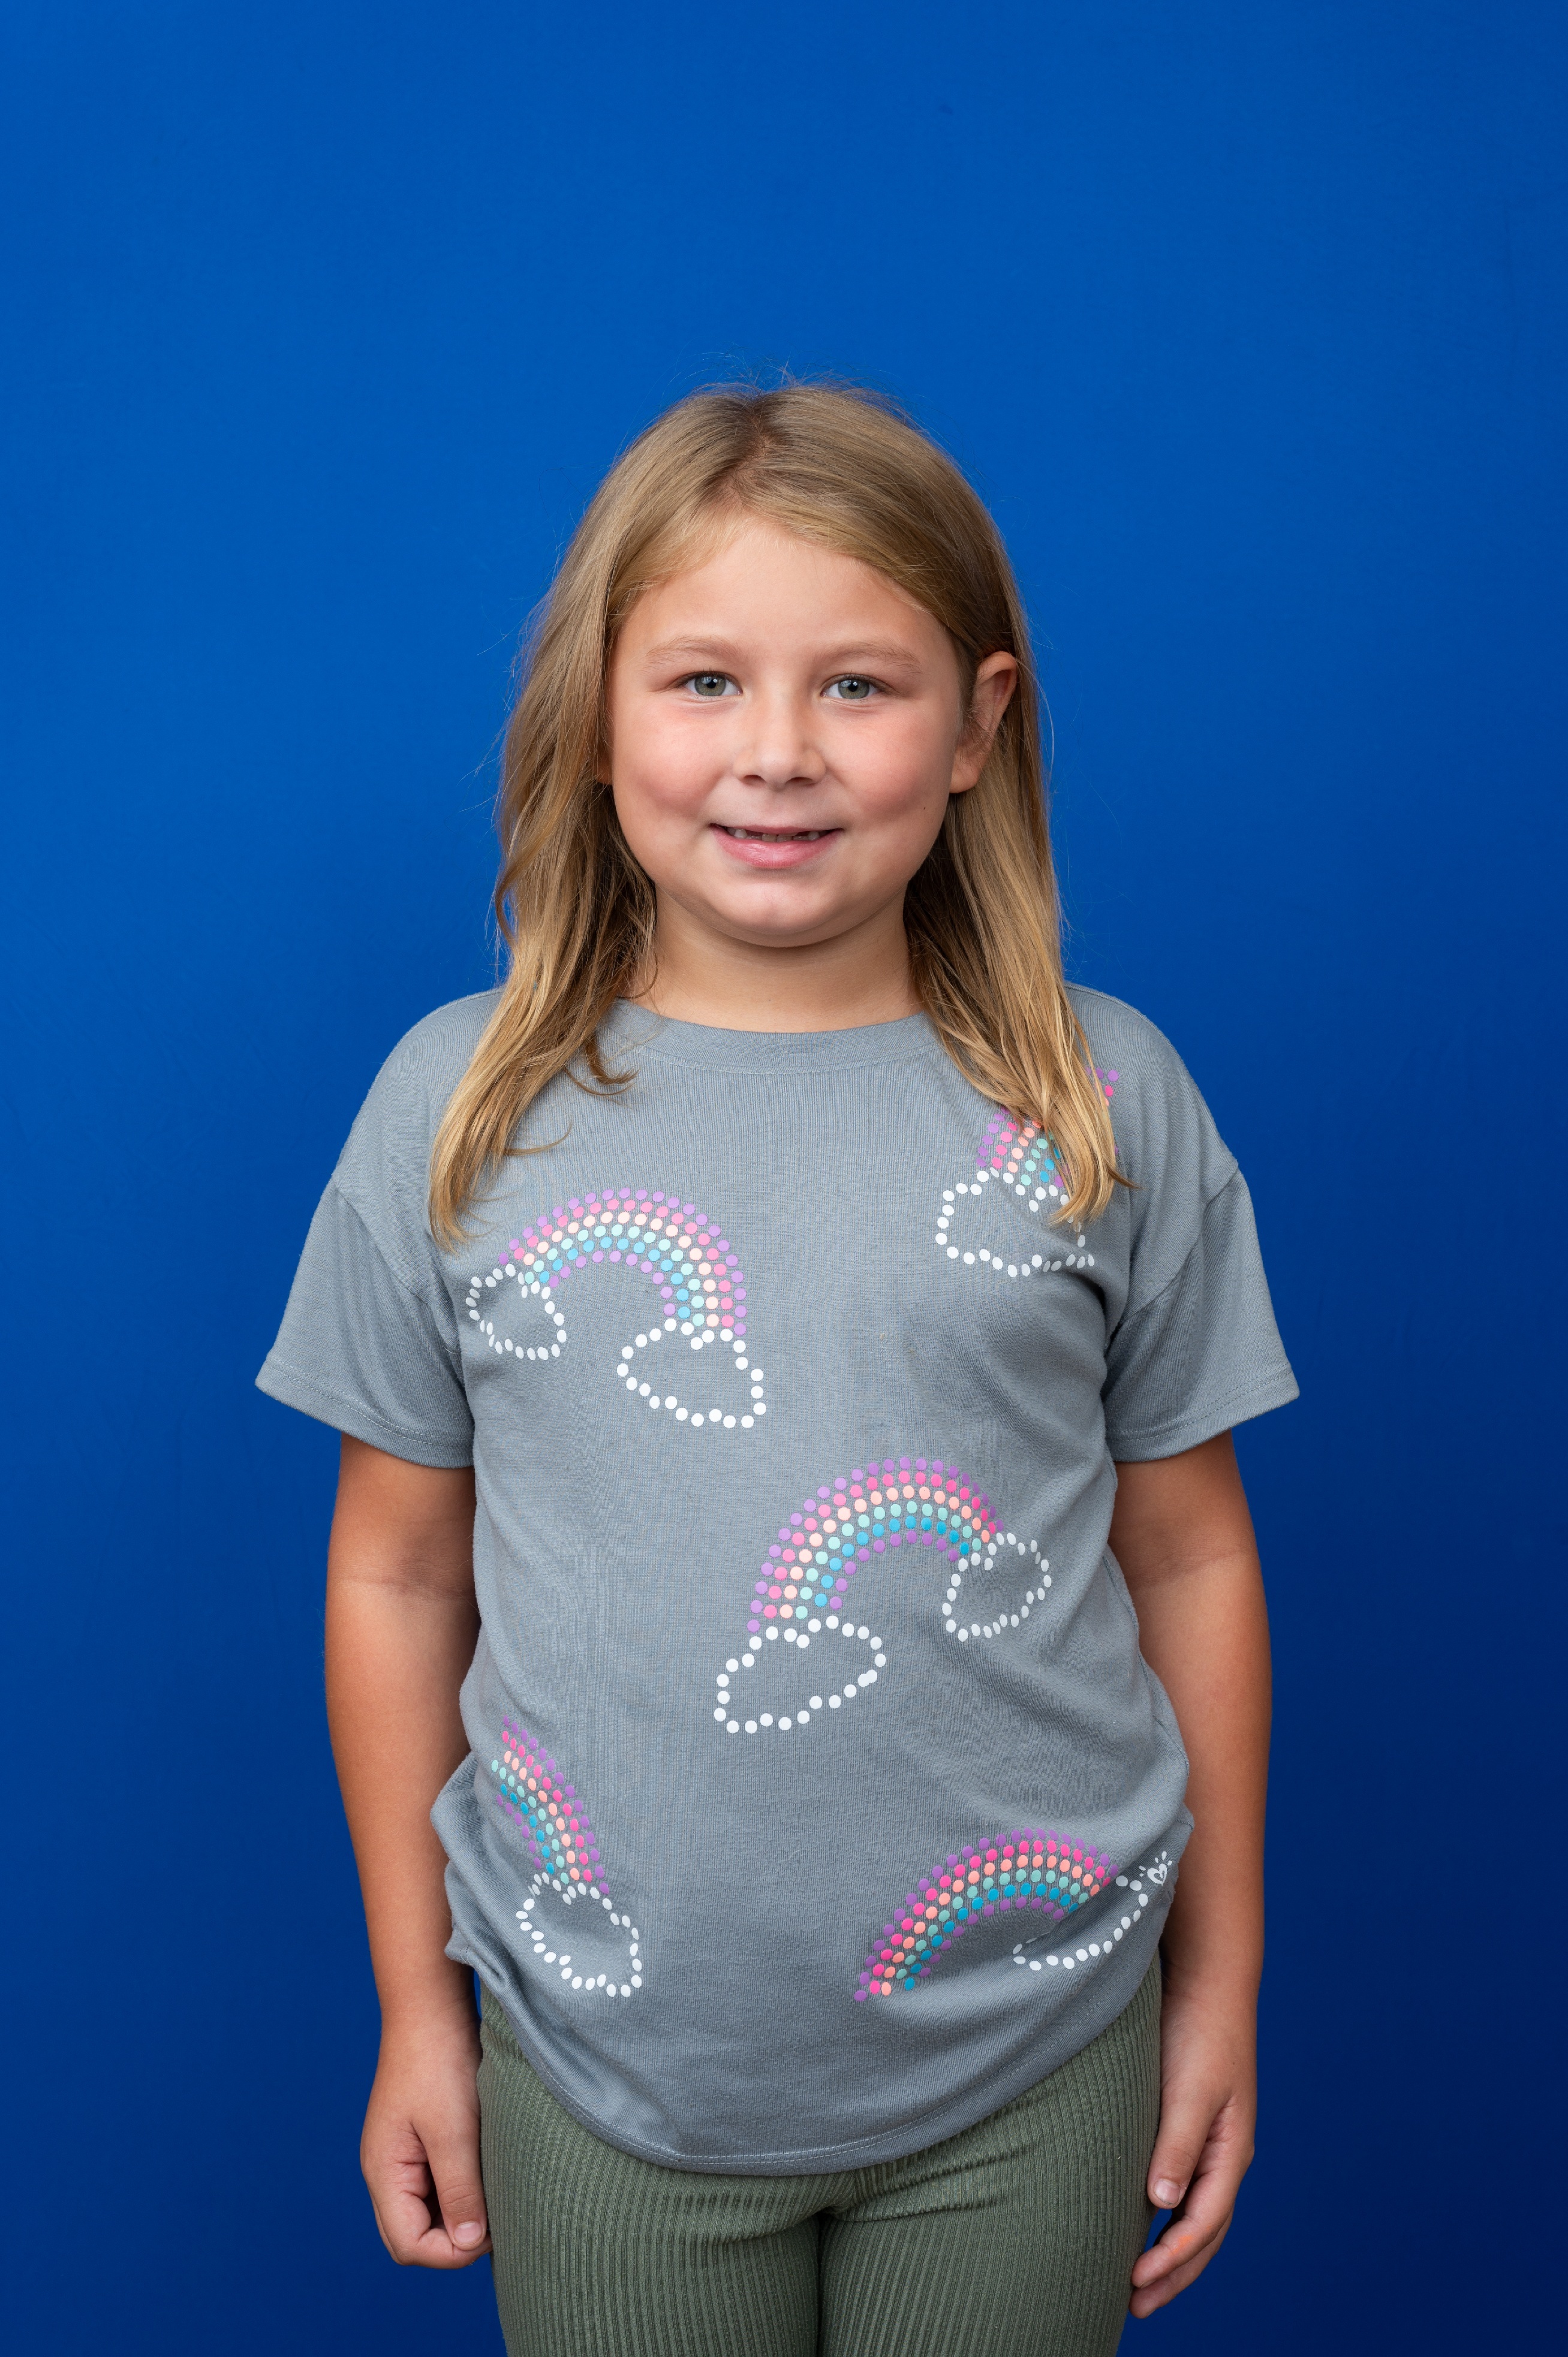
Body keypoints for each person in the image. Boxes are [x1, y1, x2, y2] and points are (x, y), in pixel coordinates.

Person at [259, 381, 1296, 2357]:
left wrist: (1223, 1978)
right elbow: (392, 1572)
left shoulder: (1103, 1104)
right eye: (707, 680)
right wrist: (416, 2001)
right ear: (597, 717)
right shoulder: (460, 1113)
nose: (778, 752)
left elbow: (1191, 1554)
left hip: (1040, 2036)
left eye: (859, 686)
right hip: (602, 2053)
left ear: (979, 725)